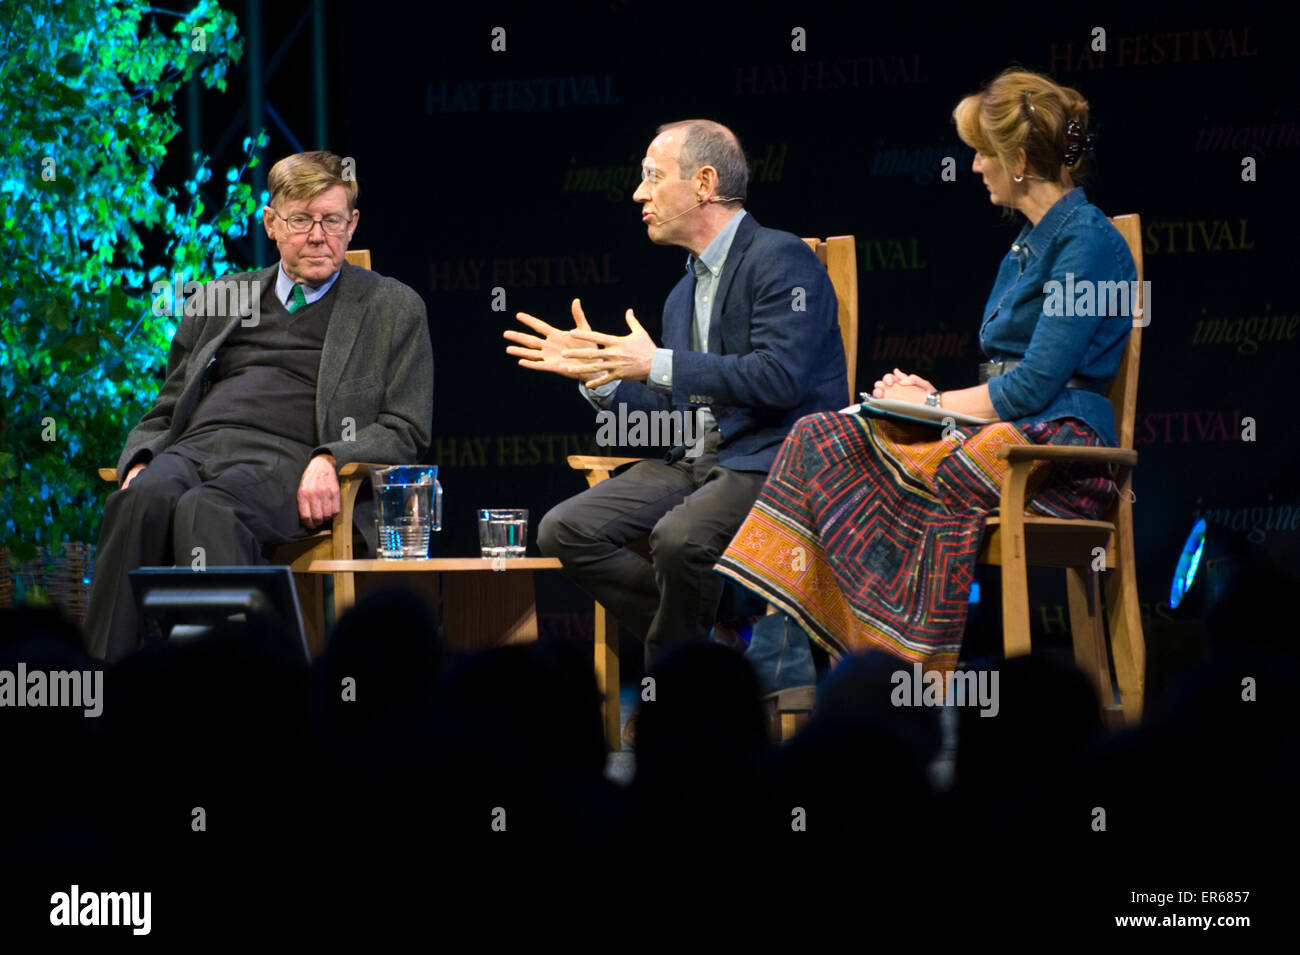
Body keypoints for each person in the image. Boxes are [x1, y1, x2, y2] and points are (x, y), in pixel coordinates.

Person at [717, 69, 1135, 678]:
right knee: (821, 437)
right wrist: (915, 406)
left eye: (981, 153)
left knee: (945, 470)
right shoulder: (1028, 243)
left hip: (1063, 451)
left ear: (1016, 160)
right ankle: (807, 651)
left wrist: (932, 402)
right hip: (1003, 434)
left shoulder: (1087, 244)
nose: (973, 167)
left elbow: (1034, 388)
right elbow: (1004, 384)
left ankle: (899, 666)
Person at [504, 119, 848, 684]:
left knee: (678, 539)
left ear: (704, 183)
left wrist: (657, 364)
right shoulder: (681, 293)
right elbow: (675, 424)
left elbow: (780, 379)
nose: (638, 194)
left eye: (652, 177)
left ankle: (685, 688)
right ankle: (712, 642)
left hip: (774, 459)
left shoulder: (781, 259)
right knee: (564, 528)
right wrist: (605, 379)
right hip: (699, 460)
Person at [84, 151, 434, 662]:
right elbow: (168, 406)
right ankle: (103, 696)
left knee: (208, 509)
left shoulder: (392, 306)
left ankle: (243, 705)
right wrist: (139, 458)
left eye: (331, 221)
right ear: (271, 223)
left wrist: (331, 456)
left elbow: (406, 429)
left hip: (287, 460)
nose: (318, 236)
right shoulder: (223, 296)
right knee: (140, 499)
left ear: (351, 223)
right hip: (197, 446)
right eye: (300, 221)